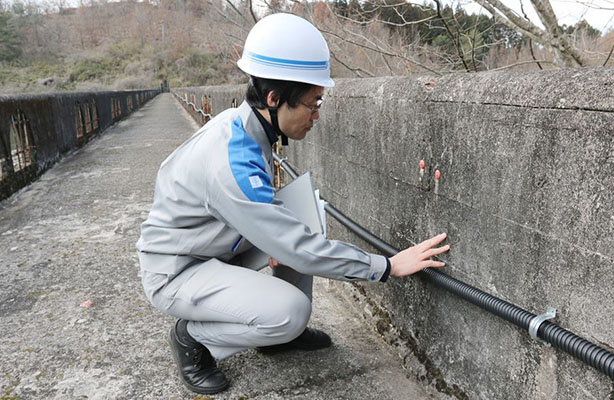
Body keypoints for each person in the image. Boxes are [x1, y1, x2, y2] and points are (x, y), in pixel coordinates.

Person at [136, 13, 450, 395]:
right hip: (179, 269)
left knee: (303, 216)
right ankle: (194, 338)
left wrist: (279, 242)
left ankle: (278, 337)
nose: (317, 115)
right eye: (313, 103)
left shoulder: (249, 127)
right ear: (274, 99)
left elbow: (287, 232)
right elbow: (298, 248)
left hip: (216, 241)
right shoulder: (229, 162)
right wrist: (385, 266)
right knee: (291, 310)